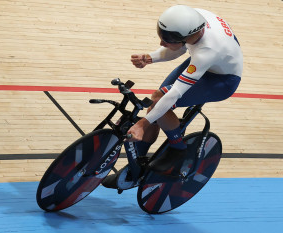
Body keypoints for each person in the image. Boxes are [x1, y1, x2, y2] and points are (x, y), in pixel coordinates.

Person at [102, 5, 243, 188]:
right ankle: (136, 166)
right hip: (214, 60)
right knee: (156, 105)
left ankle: (178, 150)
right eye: (161, 35)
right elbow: (180, 48)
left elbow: (173, 94)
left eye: (166, 39)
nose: (161, 43)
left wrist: (141, 124)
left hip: (222, 80)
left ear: (188, 37)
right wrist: (149, 57)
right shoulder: (192, 18)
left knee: (160, 103)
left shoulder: (206, 51)